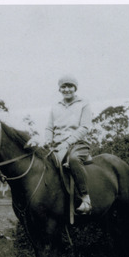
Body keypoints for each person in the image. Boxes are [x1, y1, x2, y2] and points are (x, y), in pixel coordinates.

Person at [45, 74, 92, 214]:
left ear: (75, 88)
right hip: (57, 145)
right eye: (63, 87)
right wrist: (48, 141)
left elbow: (84, 127)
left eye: (70, 86)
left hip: (78, 143)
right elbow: (49, 127)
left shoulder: (84, 103)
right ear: (59, 89)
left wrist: (67, 143)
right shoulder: (55, 106)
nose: (67, 89)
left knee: (73, 159)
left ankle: (85, 198)